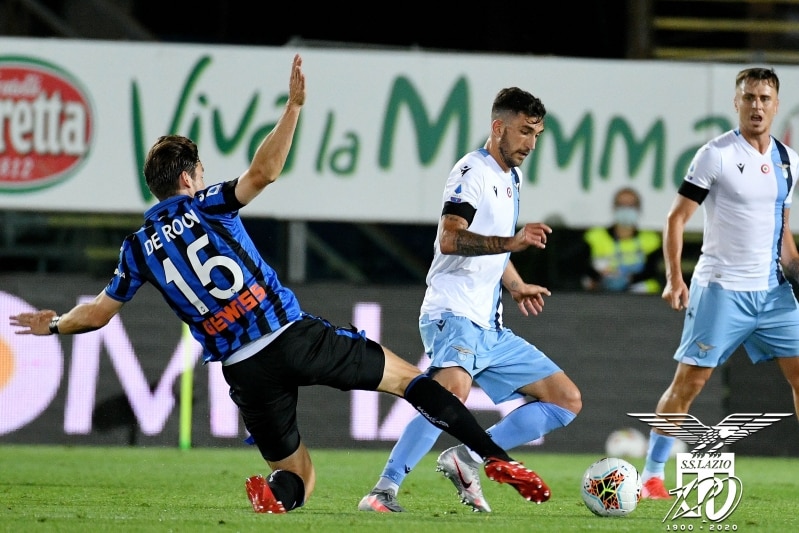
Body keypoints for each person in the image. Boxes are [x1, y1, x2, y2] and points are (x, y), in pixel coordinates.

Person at [8, 55, 550, 514]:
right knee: (412, 381)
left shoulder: (136, 249)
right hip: (292, 336)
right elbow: (263, 173)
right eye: (200, 171)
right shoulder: (206, 204)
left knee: (299, 478)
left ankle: (274, 495)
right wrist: (292, 108)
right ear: (188, 177)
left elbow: (98, 314)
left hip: (244, 371)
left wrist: (53, 324)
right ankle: (494, 457)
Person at [358, 87, 582, 513]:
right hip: (453, 312)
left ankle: (467, 456)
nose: (531, 144)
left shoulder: (512, 178)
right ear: (498, 127)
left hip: (489, 326)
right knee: (450, 393)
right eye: (524, 131)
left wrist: (515, 284)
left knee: (565, 399)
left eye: (537, 134)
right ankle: (383, 490)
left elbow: (493, 247)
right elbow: (451, 238)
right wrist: (512, 243)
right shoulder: (471, 172)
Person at [640, 67, 799, 500]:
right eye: (749, 97)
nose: (756, 106)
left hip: (773, 293)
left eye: (764, 98)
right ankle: (651, 475)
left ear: (776, 105)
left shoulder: (788, 160)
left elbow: (782, 230)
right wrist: (674, 278)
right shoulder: (716, 155)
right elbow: (676, 219)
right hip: (722, 289)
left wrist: (796, 271)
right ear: (736, 102)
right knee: (689, 384)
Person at [581, 186, 662, 294]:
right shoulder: (595, 236)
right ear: (614, 208)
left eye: (631, 206)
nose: (626, 209)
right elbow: (580, 266)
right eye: (621, 205)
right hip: (601, 292)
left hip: (641, 296)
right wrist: (600, 277)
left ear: (638, 209)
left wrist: (628, 279)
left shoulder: (651, 239)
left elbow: (653, 271)